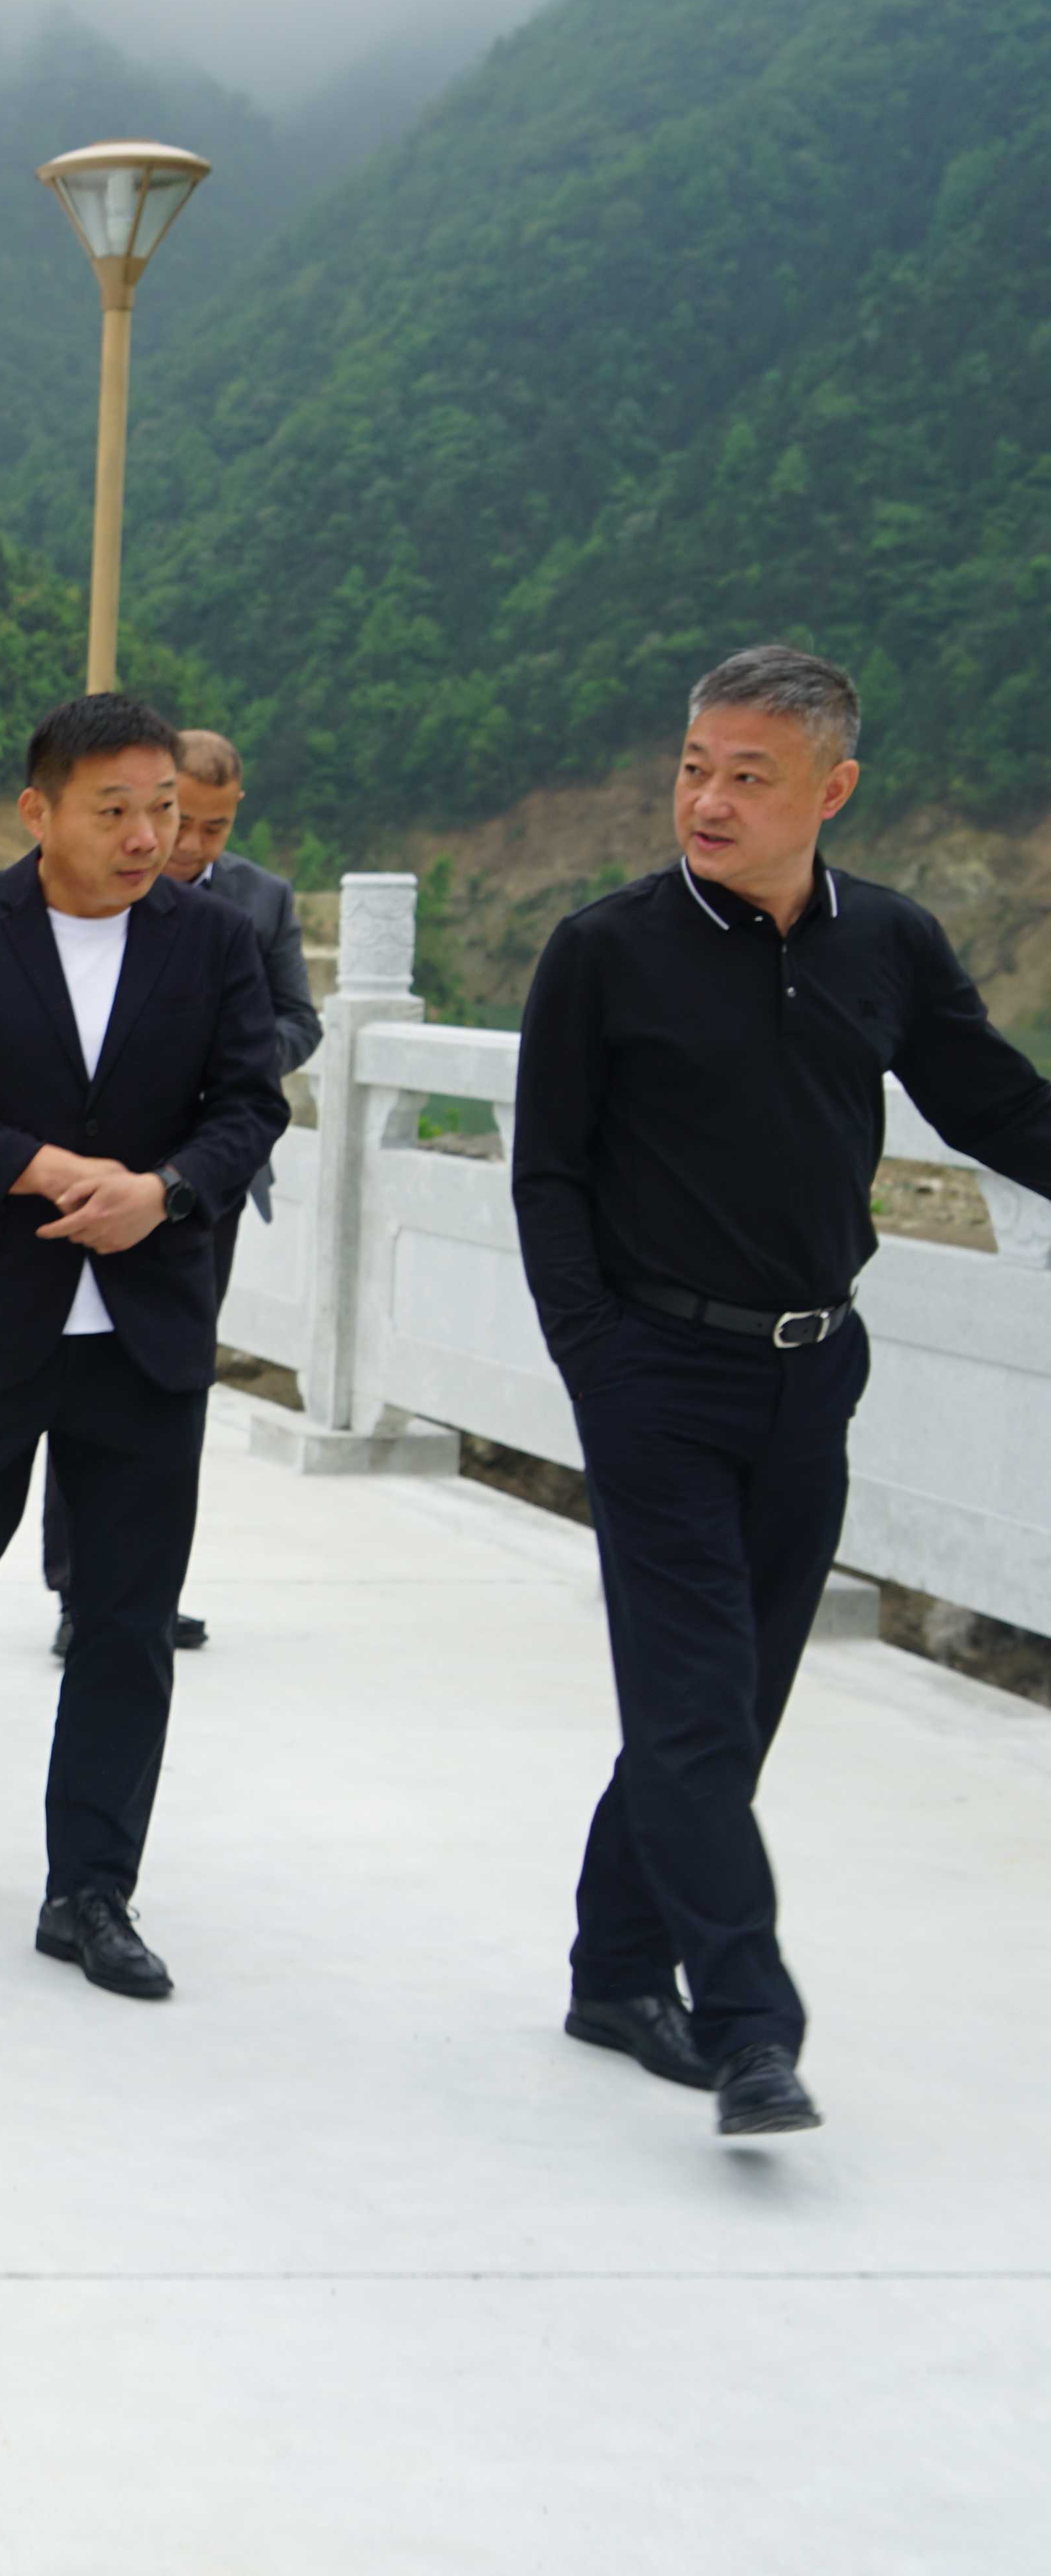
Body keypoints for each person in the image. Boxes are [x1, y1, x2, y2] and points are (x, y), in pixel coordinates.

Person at [513, 645, 1051, 2140]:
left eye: (749, 776)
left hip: (813, 1375)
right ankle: (750, 2025)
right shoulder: (605, 949)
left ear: (834, 789)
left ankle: (615, 1973)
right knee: (693, 1703)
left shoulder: (890, 940)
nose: (709, 800)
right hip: (657, 1376)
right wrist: (596, 1361)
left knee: (728, 1706)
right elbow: (548, 1174)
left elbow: (997, 1103)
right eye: (695, 768)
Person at [0, 693, 284, 2003]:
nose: (149, 836)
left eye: (165, 810)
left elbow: (250, 1103)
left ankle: (89, 1888)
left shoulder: (212, 940)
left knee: (126, 1621)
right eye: (116, 810)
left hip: (146, 1330)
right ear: (38, 811)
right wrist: (39, 1166)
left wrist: (167, 1190)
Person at [40, 727, 316, 1658]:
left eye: (213, 827)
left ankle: (147, 1586)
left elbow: (299, 1019)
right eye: (178, 819)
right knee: (79, 1376)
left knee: (169, 1381)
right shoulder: (87, 888)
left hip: (208, 1180)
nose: (186, 844)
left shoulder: (261, 901)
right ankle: (79, 1588)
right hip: (94, 1178)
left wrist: (230, 1055)